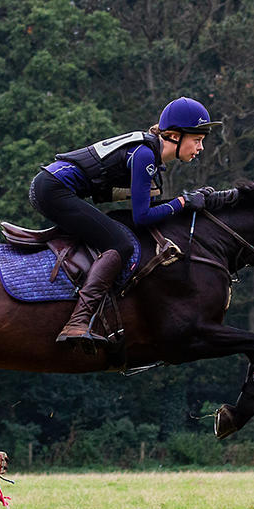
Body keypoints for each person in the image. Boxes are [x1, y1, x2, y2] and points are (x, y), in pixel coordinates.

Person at [29, 96, 221, 345]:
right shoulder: (144, 155)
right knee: (121, 244)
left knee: (117, 231)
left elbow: (149, 211)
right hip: (53, 190)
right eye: (197, 140)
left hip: (52, 187)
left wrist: (184, 204)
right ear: (174, 135)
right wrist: (183, 202)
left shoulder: (150, 157)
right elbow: (142, 217)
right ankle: (77, 321)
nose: (201, 148)